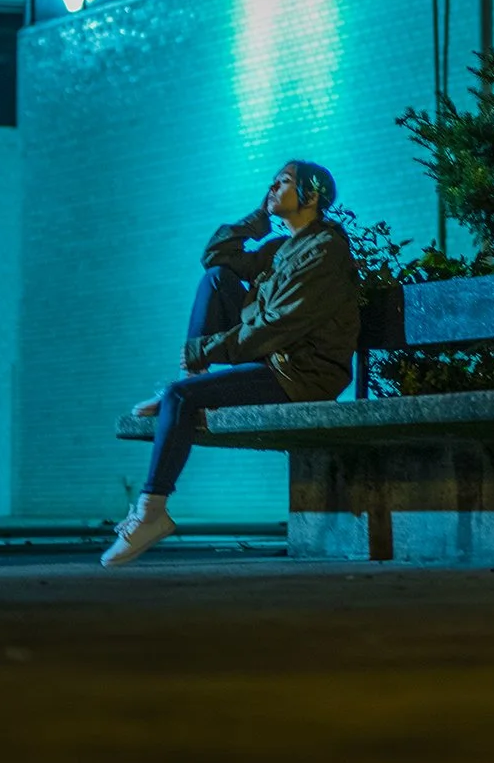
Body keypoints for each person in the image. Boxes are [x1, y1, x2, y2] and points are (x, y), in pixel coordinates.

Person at [101, 159, 359, 568]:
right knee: (217, 279)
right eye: (272, 182)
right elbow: (216, 256)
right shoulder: (281, 248)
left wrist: (206, 349)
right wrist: (260, 217)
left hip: (302, 375)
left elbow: (279, 326)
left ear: (311, 195)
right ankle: (183, 387)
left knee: (182, 399)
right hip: (276, 362)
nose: (272, 188)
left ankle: (151, 513)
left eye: (284, 182)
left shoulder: (324, 250)